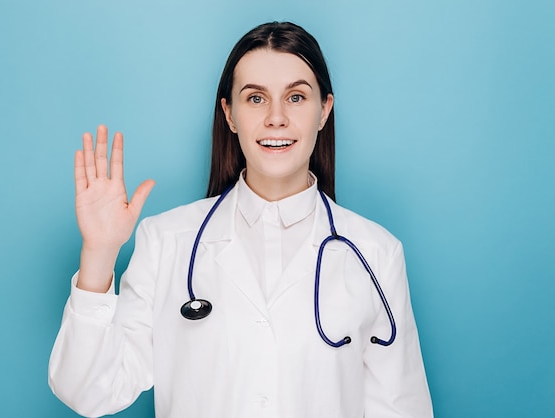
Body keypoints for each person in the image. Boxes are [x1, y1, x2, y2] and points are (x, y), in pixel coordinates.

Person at [48, 21, 433, 418]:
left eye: (297, 97)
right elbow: (89, 392)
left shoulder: (376, 253)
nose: (276, 118)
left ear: (324, 111)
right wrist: (98, 253)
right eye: (255, 99)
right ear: (229, 114)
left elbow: (403, 409)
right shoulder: (166, 241)